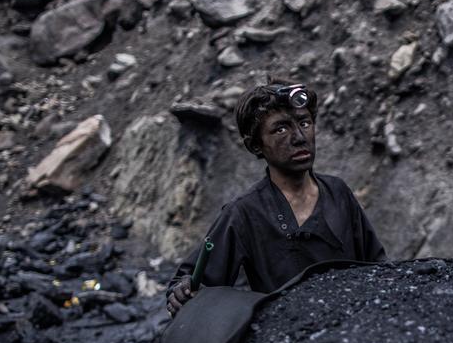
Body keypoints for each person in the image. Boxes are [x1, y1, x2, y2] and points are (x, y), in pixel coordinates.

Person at [166, 79, 387, 316]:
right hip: (288, 339)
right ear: (256, 146)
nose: (300, 137)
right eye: (281, 129)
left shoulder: (338, 193)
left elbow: (378, 266)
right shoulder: (245, 213)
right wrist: (183, 289)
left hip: (352, 328)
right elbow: (195, 281)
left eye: (305, 122)